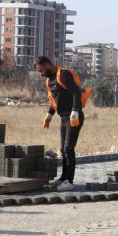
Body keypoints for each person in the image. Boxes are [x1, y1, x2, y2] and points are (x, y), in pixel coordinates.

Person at [34, 56, 91, 191]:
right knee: (63, 150)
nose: (41, 74)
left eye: (41, 70)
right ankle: (63, 178)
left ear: (47, 64)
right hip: (63, 118)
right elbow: (56, 101)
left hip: (73, 117)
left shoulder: (63, 75)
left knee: (68, 149)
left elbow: (76, 92)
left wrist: (75, 110)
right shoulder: (50, 81)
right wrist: (49, 115)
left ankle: (69, 182)